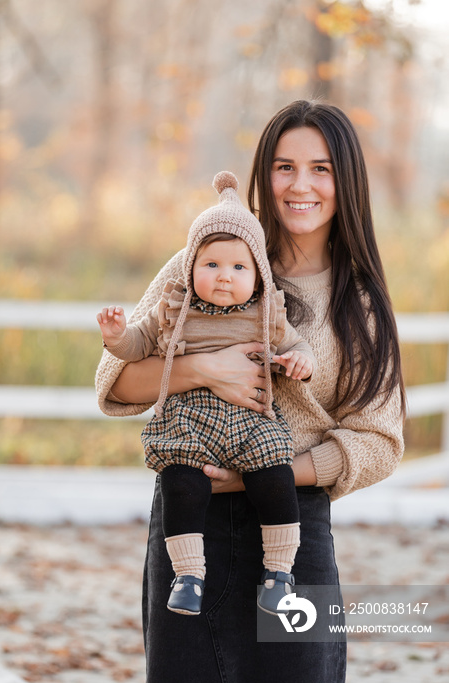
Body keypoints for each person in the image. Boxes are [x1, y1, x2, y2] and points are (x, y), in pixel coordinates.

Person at [95, 100, 405, 683]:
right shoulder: (206, 260)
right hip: (191, 524)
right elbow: (117, 382)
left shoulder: (359, 300)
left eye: (320, 169)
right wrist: (205, 368)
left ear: (346, 181)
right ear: (263, 175)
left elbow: (379, 440)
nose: (300, 186)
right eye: (284, 167)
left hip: (292, 532)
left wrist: (269, 474)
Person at [97, 171, 316, 616]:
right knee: (180, 483)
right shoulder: (174, 308)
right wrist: (117, 337)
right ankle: (188, 575)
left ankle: (278, 572)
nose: (223, 277)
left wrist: (301, 362)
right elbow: (135, 347)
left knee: (275, 475)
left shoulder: (268, 313)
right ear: (190, 266)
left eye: (238, 267)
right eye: (211, 265)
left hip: (252, 422)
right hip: (189, 422)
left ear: (257, 274)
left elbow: (296, 346)